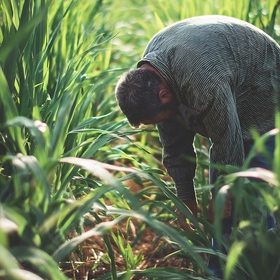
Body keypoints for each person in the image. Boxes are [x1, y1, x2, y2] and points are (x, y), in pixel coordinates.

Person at [115, 15, 280, 238]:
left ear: (164, 95)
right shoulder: (154, 74)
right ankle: (219, 269)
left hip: (265, 93)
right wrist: (185, 197)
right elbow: (174, 144)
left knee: (249, 201)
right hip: (225, 79)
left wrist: (224, 194)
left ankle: (262, 264)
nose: (161, 125)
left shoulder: (202, 78)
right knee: (223, 210)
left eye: (158, 119)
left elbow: (227, 139)